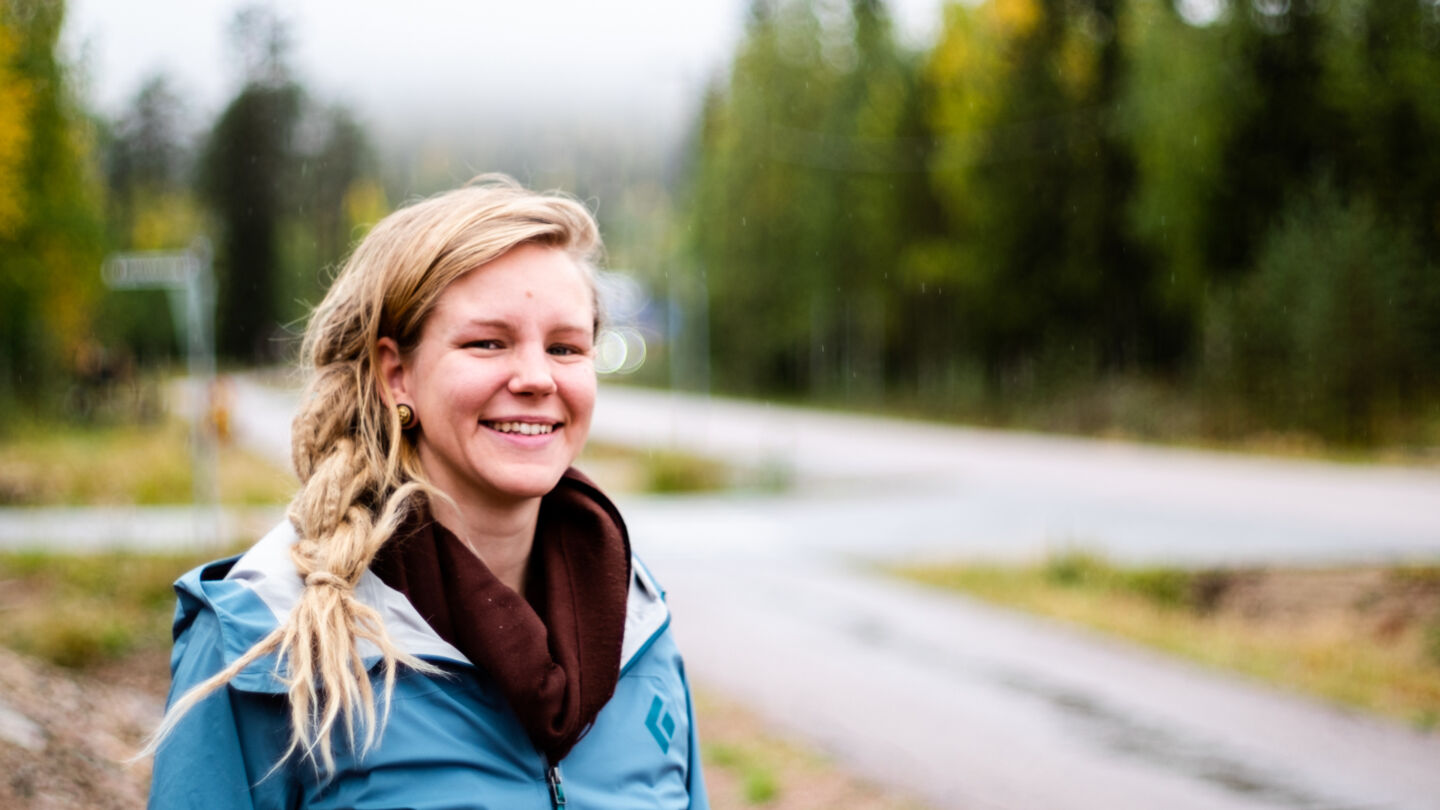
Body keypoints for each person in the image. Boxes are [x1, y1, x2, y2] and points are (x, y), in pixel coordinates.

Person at [146, 176, 709, 809]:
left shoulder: (639, 624)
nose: (535, 377)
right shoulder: (267, 634)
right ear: (397, 374)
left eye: (565, 347)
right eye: (487, 343)